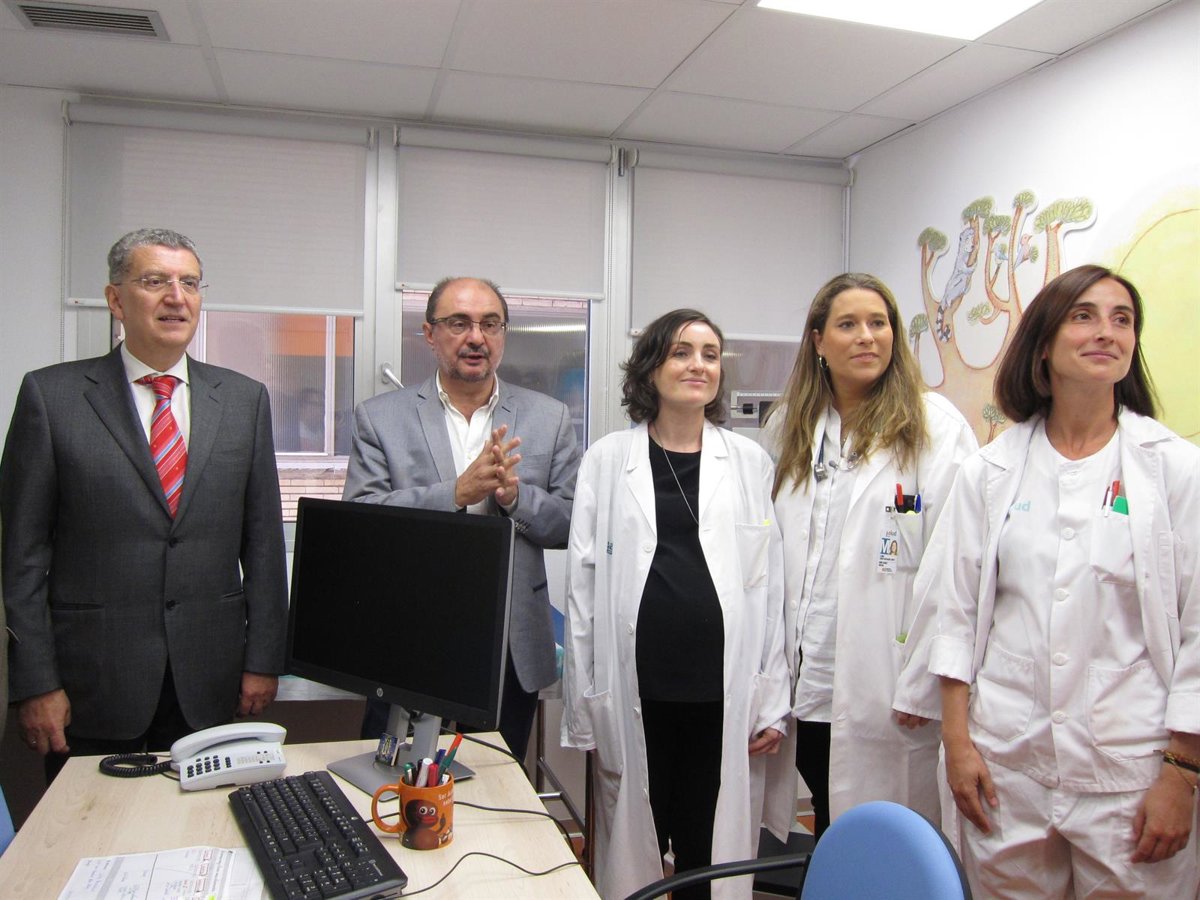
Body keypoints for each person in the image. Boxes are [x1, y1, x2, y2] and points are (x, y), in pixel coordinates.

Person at [926, 264, 1200, 897]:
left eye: (1122, 319)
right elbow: (956, 615)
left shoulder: (1174, 471)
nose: (1107, 331)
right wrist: (958, 745)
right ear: (1043, 344)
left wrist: (1182, 773)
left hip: (1130, 772)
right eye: (1084, 316)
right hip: (1005, 765)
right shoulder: (990, 471)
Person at [0, 228, 288, 780]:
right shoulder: (52, 397)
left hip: (209, 682)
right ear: (116, 300)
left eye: (190, 284)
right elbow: (21, 558)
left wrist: (263, 660)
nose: (176, 297)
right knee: (90, 828)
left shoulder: (244, 400)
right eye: (155, 281)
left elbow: (264, 546)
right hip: (92, 685)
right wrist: (35, 682)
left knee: (205, 829)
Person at [562, 309, 789, 900]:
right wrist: (584, 703)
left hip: (720, 692)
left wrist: (770, 698)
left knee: (706, 850)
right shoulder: (608, 459)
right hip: (637, 688)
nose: (698, 365)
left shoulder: (749, 463)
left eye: (710, 355)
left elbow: (770, 588)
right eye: (682, 352)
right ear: (650, 369)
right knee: (633, 840)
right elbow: (582, 589)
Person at [760, 272, 977, 839]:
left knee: (888, 833)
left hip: (889, 676)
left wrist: (923, 678)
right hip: (807, 677)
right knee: (828, 813)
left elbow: (955, 565)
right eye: (848, 324)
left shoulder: (935, 427)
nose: (866, 336)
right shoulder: (789, 426)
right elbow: (768, 557)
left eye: (878, 323)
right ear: (818, 341)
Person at [343, 276, 579, 761]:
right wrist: (453, 494)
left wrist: (516, 498)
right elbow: (361, 523)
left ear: (503, 333)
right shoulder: (380, 418)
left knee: (497, 785)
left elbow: (571, 524)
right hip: (408, 637)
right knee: (394, 785)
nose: (476, 337)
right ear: (430, 334)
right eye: (459, 323)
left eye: (490, 324)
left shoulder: (549, 417)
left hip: (509, 644)